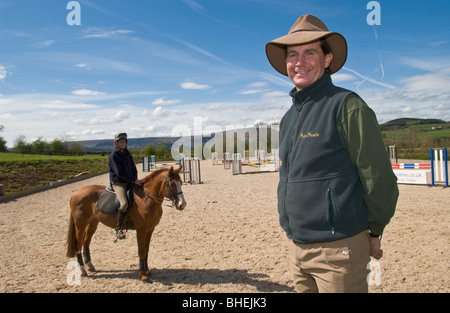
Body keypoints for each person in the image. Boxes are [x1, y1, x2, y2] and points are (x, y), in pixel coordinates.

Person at [266, 14, 399, 293]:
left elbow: (378, 178)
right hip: (296, 249)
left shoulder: (347, 106)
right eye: (292, 55)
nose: (299, 62)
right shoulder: (289, 117)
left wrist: (374, 231)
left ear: (327, 59)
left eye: (310, 52)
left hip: (338, 252)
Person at [109, 132, 141, 240]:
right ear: (117, 143)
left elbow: (133, 168)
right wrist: (133, 180)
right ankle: (118, 229)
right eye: (120, 142)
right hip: (119, 183)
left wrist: (135, 179)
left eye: (124, 142)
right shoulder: (114, 156)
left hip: (130, 182)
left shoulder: (127, 154)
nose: (123, 143)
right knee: (124, 204)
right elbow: (119, 173)